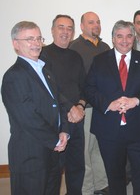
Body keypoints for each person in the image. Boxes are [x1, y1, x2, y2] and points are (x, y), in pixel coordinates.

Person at [84, 20, 140, 195]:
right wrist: (107, 104)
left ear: (133, 38)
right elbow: (89, 89)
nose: (124, 40)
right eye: (120, 36)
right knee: (115, 176)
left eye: (128, 36)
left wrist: (136, 100)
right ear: (112, 39)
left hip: (138, 128)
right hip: (109, 129)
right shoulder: (99, 61)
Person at [1, 21, 69, 195]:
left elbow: (58, 104)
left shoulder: (45, 71)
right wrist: (55, 140)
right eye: (30, 39)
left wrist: (63, 132)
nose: (36, 43)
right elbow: (28, 118)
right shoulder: (13, 76)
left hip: (52, 153)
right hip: (30, 156)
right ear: (16, 44)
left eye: (39, 38)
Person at [40, 14, 86, 195]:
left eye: (69, 28)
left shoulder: (76, 56)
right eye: (61, 27)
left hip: (76, 119)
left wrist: (80, 107)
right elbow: (47, 89)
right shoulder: (43, 55)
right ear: (52, 30)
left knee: (76, 167)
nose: (65, 32)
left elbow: (84, 87)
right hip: (56, 121)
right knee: (53, 171)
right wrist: (69, 107)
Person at [69, 11, 110, 195]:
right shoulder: (74, 47)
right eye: (91, 22)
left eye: (98, 22)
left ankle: (101, 185)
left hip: (103, 107)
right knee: (84, 150)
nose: (96, 25)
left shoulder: (105, 46)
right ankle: (86, 189)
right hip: (85, 107)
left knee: (99, 148)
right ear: (82, 26)